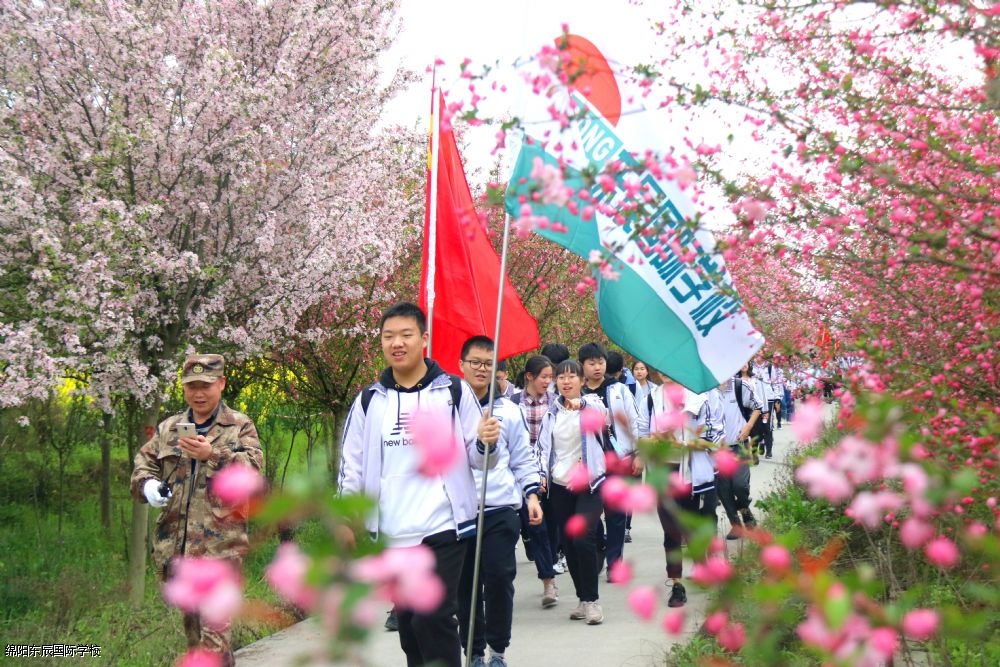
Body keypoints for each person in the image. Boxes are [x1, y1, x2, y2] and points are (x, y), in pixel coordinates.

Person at [337, 302, 498, 667]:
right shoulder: (369, 401)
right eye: (388, 336)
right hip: (392, 531)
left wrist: (486, 441)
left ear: (424, 339)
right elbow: (352, 465)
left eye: (406, 335)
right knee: (410, 629)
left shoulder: (453, 391)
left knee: (433, 616)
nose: (397, 343)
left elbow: (481, 459)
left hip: (444, 525)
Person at [130, 354, 264, 667]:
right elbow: (143, 465)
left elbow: (253, 471)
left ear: (221, 383)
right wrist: (149, 486)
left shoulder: (239, 426)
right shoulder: (170, 428)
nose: (198, 393)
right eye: (192, 387)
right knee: (195, 640)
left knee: (214, 638)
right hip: (178, 550)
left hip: (221, 549)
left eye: (205, 385)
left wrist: (212, 454)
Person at [457, 337, 543, 667]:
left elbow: (522, 457)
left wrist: (531, 495)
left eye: (488, 363)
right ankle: (473, 652)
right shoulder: (449, 408)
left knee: (499, 578)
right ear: (461, 365)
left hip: (500, 508)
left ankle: (497, 651)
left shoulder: (508, 410)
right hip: (461, 512)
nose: (482, 369)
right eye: (475, 362)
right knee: (466, 586)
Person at [536, 359, 615, 625]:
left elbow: (601, 415)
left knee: (583, 539)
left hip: (589, 484)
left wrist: (581, 404)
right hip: (560, 485)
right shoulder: (551, 413)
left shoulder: (592, 405)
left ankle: (593, 601)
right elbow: (543, 449)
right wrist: (541, 476)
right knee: (569, 544)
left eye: (572, 377)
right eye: (561, 377)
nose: (566, 381)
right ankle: (582, 598)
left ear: (582, 380)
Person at [637, 371, 722, 608]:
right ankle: (676, 584)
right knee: (670, 529)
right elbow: (641, 433)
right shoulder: (651, 398)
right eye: (661, 368)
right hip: (662, 471)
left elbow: (715, 437)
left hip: (690, 473)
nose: (666, 372)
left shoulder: (699, 398)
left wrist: (683, 443)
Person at [578, 342, 640, 578]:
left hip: (618, 459)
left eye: (600, 362)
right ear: (582, 365)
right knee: (592, 515)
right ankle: (601, 549)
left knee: (616, 515)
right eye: (591, 363)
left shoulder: (619, 390)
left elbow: (634, 421)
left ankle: (614, 564)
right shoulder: (578, 393)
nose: (597, 367)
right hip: (589, 464)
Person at [511, 355, 560, 608]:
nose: (548, 381)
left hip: (548, 473)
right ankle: (546, 581)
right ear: (529, 376)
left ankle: (549, 576)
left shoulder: (556, 403)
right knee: (529, 528)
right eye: (544, 376)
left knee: (546, 528)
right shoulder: (512, 404)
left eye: (551, 377)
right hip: (519, 473)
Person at [715, 370, 763, 539]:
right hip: (717, 450)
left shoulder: (739, 385)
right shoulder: (707, 390)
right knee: (723, 489)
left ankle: (745, 511)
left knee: (740, 485)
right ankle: (735, 525)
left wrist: (748, 427)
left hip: (739, 446)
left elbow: (758, 406)